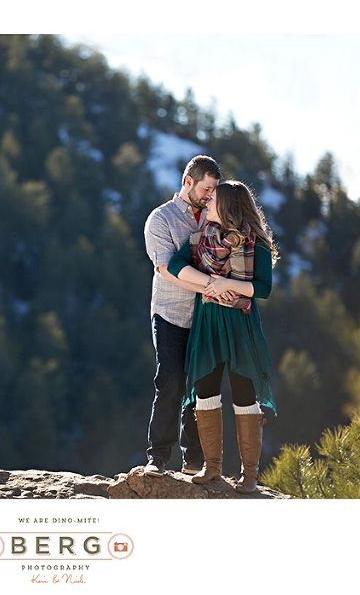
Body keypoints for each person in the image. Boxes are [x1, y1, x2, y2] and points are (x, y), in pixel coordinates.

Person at [167, 179, 279, 494]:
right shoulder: (200, 240)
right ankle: (212, 467)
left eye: (212, 198)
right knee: (205, 390)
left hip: (241, 325)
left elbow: (264, 288)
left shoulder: (255, 243)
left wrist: (225, 284)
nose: (207, 202)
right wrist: (209, 283)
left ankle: (249, 474)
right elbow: (174, 265)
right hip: (208, 323)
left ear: (227, 205)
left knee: (244, 393)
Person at [142, 155, 221, 477]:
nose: (210, 195)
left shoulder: (215, 218)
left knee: (202, 387)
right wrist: (213, 287)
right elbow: (165, 270)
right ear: (188, 182)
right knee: (171, 381)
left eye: (214, 190)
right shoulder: (161, 219)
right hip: (170, 314)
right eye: (206, 189)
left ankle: (194, 460)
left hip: (207, 317)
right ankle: (157, 458)